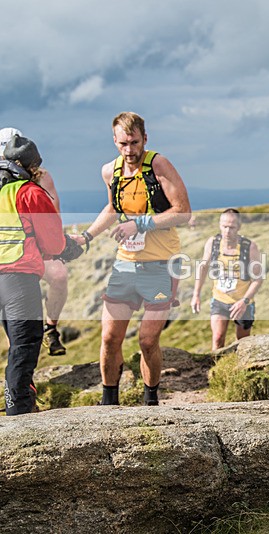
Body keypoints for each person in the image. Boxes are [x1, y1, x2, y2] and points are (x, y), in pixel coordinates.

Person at [72, 112, 191, 406]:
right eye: (123, 143)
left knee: (148, 340)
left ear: (145, 139)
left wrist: (140, 224)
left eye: (135, 142)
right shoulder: (109, 171)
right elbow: (112, 209)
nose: (130, 150)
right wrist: (86, 238)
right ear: (114, 141)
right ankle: (109, 401)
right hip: (125, 265)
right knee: (110, 338)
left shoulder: (158, 165)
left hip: (161, 264)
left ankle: (150, 400)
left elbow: (183, 211)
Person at [0, 135, 80, 415]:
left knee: (14, 345)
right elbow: (53, 244)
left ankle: (19, 407)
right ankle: (19, 414)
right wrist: (71, 246)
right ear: (33, 166)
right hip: (19, 280)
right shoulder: (30, 193)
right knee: (24, 347)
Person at [1, 128, 69, 356]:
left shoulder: (41, 177)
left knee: (59, 275)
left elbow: (53, 218)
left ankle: (51, 329)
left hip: (36, 245)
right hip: (10, 251)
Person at [191, 209, 264, 350]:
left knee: (243, 342)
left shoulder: (249, 247)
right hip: (219, 300)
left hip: (243, 303)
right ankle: (215, 369)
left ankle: (241, 369)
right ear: (219, 225)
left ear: (239, 227)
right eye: (224, 226)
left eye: (232, 227)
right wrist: (196, 295)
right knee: (218, 338)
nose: (227, 231)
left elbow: (258, 279)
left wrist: (244, 301)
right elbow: (203, 267)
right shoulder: (212, 243)